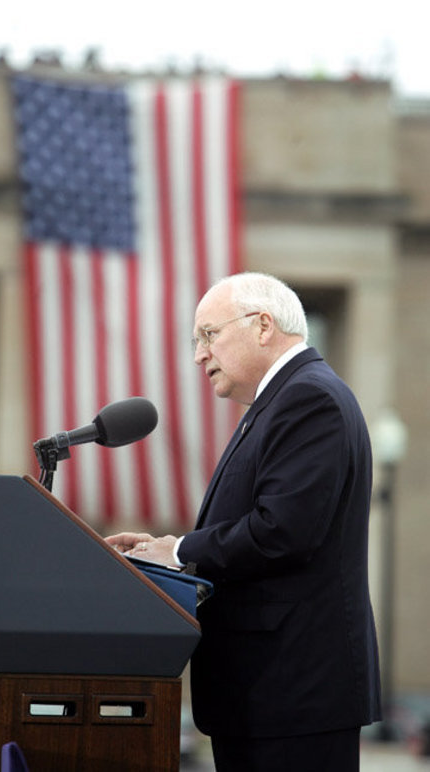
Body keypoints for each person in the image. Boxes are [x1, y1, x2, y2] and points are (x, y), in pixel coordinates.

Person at [106, 272, 381, 771]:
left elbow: (283, 533)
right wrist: (170, 548)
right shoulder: (279, 402)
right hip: (269, 695)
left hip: (292, 695)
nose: (198, 355)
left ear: (261, 326)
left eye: (209, 335)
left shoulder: (309, 399)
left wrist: (179, 552)